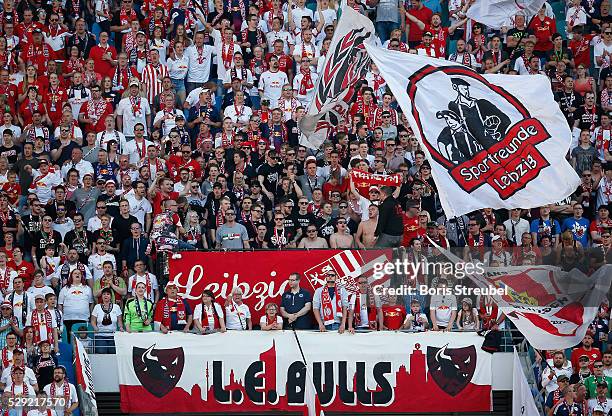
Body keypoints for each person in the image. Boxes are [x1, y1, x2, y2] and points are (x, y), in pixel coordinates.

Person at [57, 269, 94, 340]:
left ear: (82, 276)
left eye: (79, 273)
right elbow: (60, 304)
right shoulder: (65, 289)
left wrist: (91, 317)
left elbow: (91, 303)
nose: (77, 274)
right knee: (70, 340)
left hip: (83, 319)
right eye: (75, 273)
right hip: (68, 319)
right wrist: (61, 319)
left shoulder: (87, 289)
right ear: (71, 276)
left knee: (82, 342)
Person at [90, 287, 124, 354]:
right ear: (101, 296)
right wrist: (95, 327)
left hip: (113, 335)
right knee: (101, 352)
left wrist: (121, 328)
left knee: (113, 353)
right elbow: (93, 321)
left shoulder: (116, 307)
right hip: (100, 335)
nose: (106, 295)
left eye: (108, 294)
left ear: (111, 296)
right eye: (104, 294)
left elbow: (120, 321)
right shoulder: (97, 307)